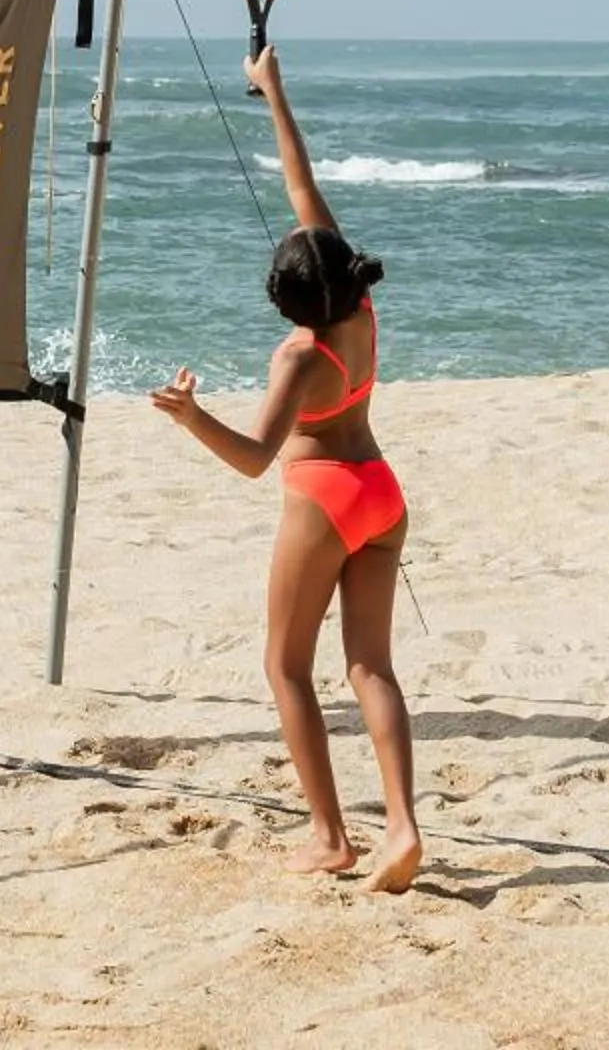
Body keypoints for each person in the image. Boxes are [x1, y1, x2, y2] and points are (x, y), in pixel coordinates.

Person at [150, 46, 422, 892]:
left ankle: (331, 837)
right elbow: (303, 195)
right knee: (371, 667)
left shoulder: (301, 357)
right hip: (382, 492)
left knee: (286, 668)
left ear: (285, 301)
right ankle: (404, 828)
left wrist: (194, 419)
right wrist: (275, 92)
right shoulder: (359, 304)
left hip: (325, 501)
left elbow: (255, 459)